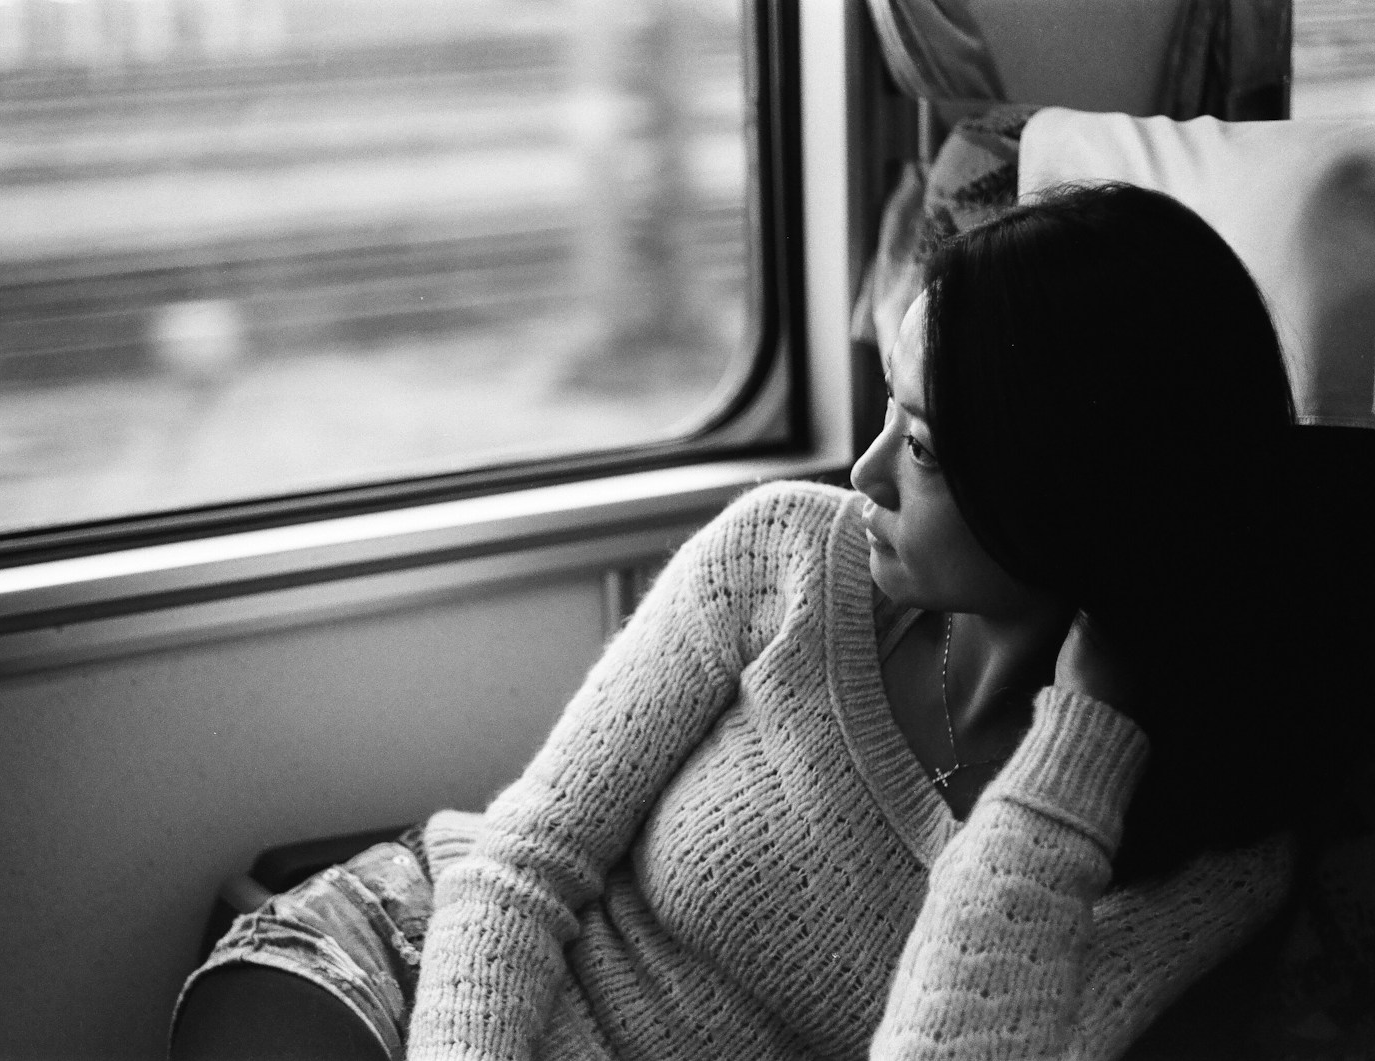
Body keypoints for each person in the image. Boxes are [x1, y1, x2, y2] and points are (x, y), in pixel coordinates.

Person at [175, 182, 1362, 1061]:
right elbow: (525, 858)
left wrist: (1071, 761)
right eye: (890, 414)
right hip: (442, 972)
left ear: (1073, 495)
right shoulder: (789, 550)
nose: (866, 471)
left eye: (930, 451)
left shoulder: (1199, 859)